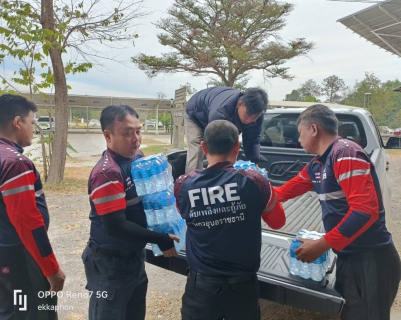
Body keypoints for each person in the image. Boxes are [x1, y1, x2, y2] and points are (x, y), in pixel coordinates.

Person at [274, 104, 401, 320]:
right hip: (348, 258)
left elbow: (364, 211)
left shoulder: (345, 153)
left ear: (314, 129)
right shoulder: (316, 166)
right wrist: (250, 185)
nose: (298, 139)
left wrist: (322, 244)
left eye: (300, 133)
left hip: (369, 259)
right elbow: (282, 193)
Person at [174, 120, 286, 320]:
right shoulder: (256, 181)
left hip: (201, 288)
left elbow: (182, 213)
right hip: (243, 289)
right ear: (237, 147)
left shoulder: (183, 185)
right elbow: (278, 222)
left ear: (203, 147)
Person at [82, 105, 179, 320]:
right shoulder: (107, 173)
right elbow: (116, 226)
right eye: (127, 133)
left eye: (138, 131)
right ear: (108, 136)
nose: (136, 139)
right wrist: (160, 239)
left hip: (133, 258)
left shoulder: (137, 159)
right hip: (109, 264)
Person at [0, 94, 65, 319]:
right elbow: (27, 220)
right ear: (17, 122)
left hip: (4, 258)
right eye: (32, 123)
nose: (33, 129)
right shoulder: (14, 163)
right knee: (34, 312)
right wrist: (51, 268)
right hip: (19, 259)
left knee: (9, 311)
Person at [184, 86, 268, 173]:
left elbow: (253, 140)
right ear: (239, 104)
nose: (250, 120)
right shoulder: (220, 112)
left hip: (213, 109)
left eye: (254, 117)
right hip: (195, 113)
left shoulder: (257, 116)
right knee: (197, 149)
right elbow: (215, 144)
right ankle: (192, 181)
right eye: (247, 115)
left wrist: (254, 165)